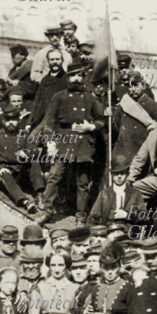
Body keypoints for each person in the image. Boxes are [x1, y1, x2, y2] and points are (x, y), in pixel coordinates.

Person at [35, 62, 105, 227]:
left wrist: (91, 127)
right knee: (54, 176)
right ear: (67, 77)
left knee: (83, 182)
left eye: (79, 75)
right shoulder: (59, 97)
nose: (76, 79)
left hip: (83, 143)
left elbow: (101, 119)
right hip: (64, 141)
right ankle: (47, 211)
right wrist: (50, 142)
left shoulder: (90, 98)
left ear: (83, 78)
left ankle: (81, 216)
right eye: (73, 75)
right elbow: (50, 122)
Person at [0, 104, 43, 214]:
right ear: (3, 121)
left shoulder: (23, 136)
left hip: (18, 172)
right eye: (8, 120)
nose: (11, 123)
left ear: (18, 120)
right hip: (1, 173)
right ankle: (25, 202)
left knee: (33, 161)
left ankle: (39, 194)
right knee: (6, 175)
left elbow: (34, 150)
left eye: (14, 120)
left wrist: (27, 153)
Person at [111, 73, 157, 162]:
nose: (133, 89)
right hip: (124, 151)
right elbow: (115, 129)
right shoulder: (123, 104)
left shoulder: (151, 105)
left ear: (143, 86)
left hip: (141, 152)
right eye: (130, 86)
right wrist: (110, 118)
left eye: (136, 85)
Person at [87, 155, 145, 227]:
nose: (119, 176)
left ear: (127, 174)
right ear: (111, 174)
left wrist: (128, 215)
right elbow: (93, 218)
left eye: (122, 173)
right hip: (108, 233)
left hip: (128, 235)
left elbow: (144, 217)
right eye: (116, 173)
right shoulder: (104, 194)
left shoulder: (135, 193)